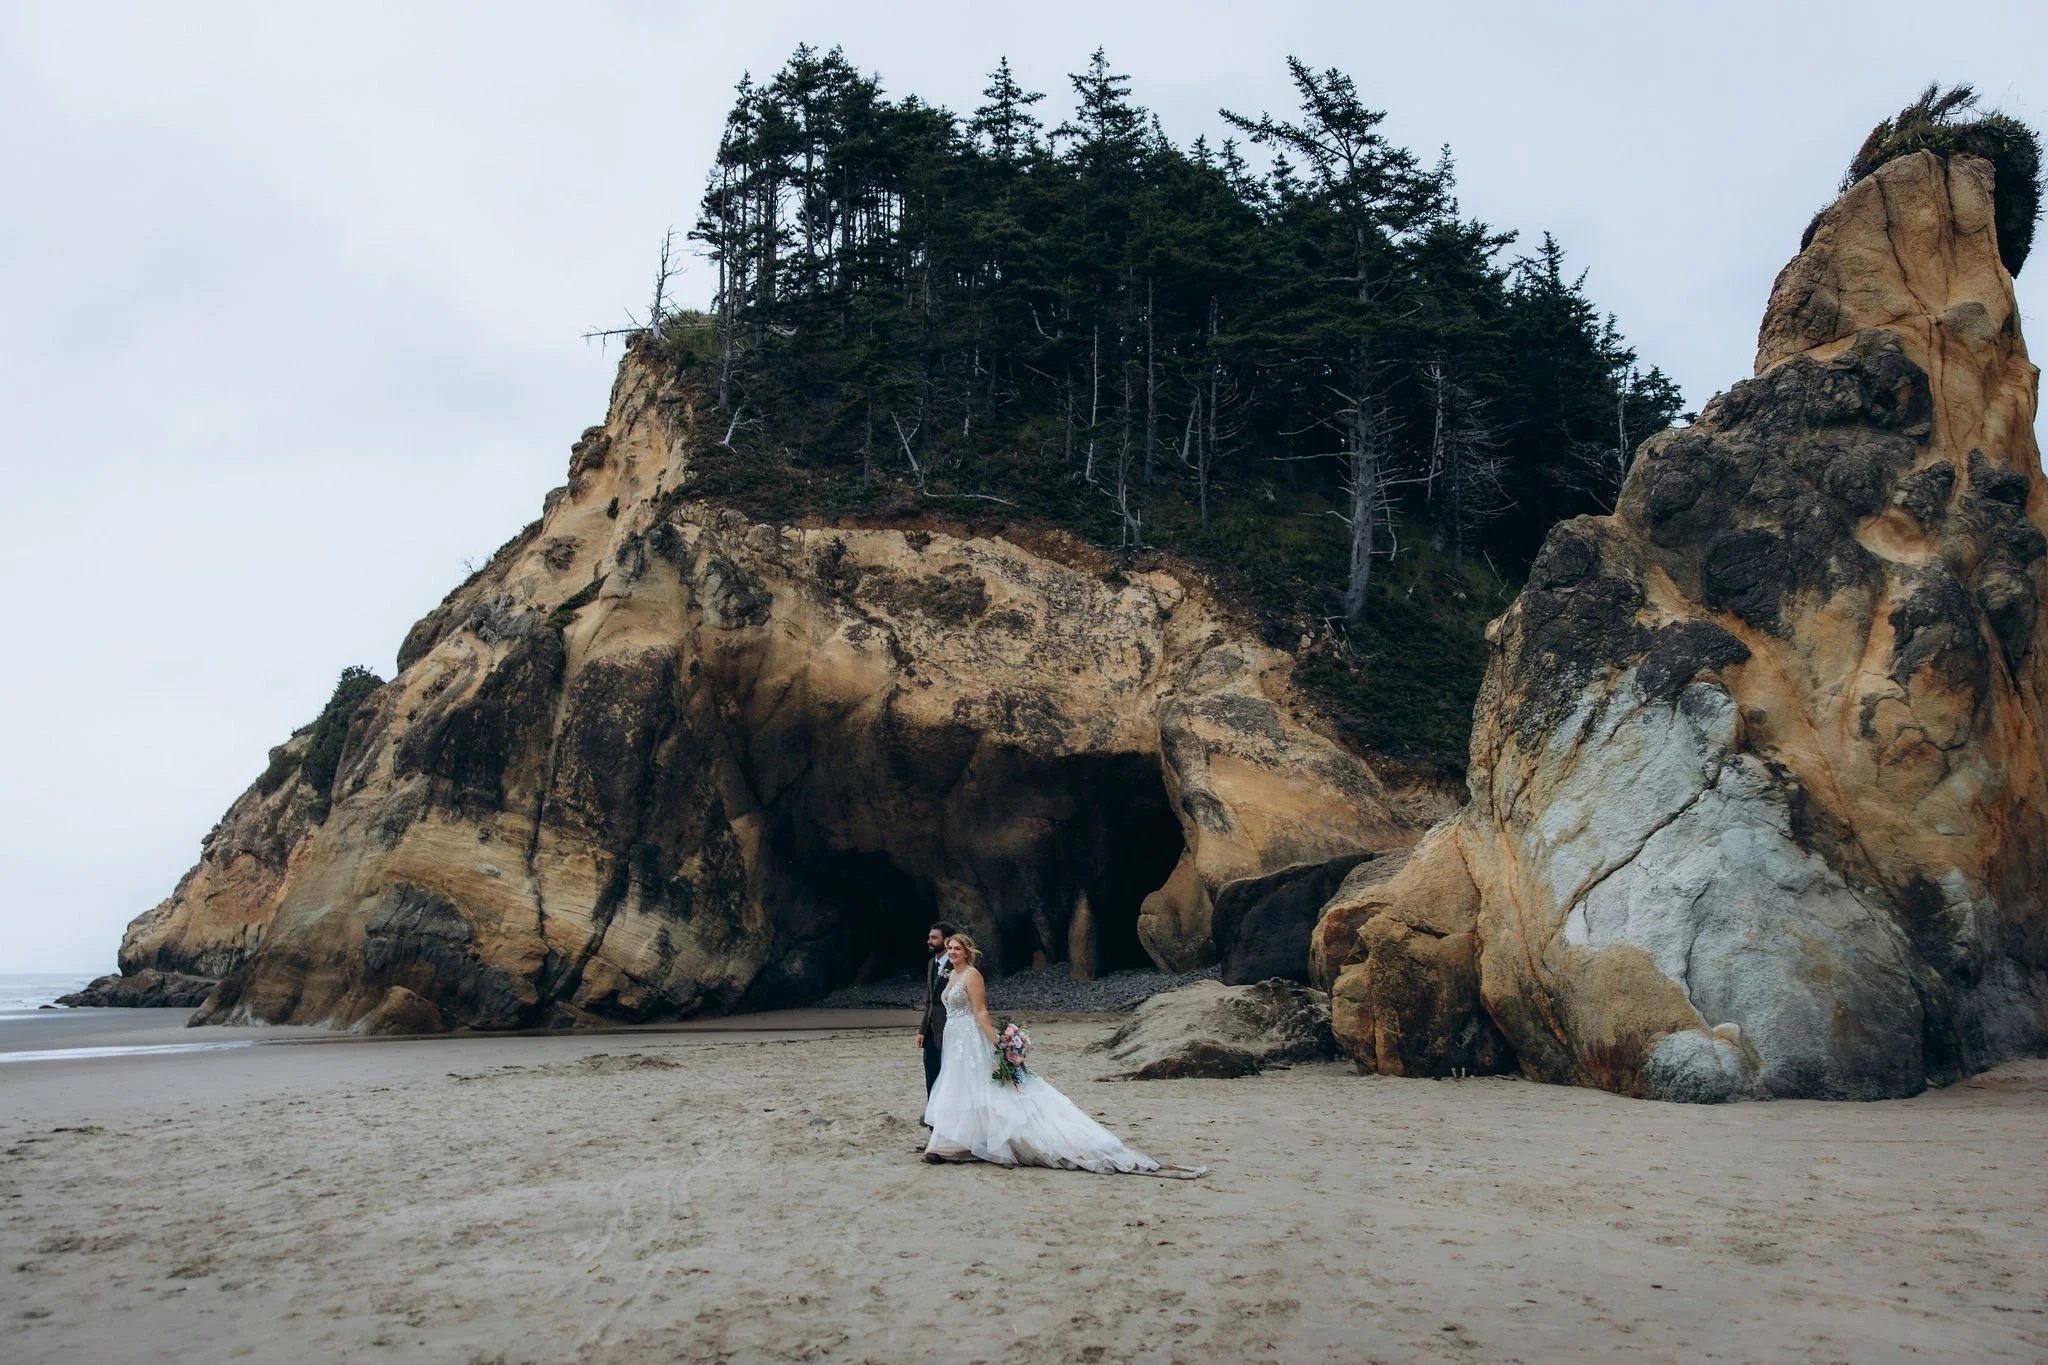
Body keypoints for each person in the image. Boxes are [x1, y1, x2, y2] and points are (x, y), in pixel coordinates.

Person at [922, 933, 1166, 1174]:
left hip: (970, 1038)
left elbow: (981, 1012)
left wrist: (997, 1043)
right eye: (949, 947)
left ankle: (961, 1143)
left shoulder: (972, 976)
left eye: (957, 948)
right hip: (955, 1038)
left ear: (967, 951)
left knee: (981, 1085)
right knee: (959, 1086)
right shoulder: (951, 974)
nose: (952, 952)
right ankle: (958, 1141)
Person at [914, 920, 957, 1104]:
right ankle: (933, 1113)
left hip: (951, 1026)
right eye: (929, 937)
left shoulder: (957, 965)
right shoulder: (932, 963)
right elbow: (930, 1000)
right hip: (931, 1029)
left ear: (947, 940)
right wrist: (922, 1030)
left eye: (934, 938)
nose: (929, 941)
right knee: (931, 1071)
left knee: (950, 1071)